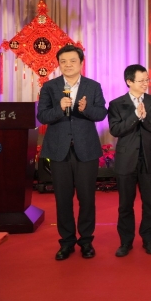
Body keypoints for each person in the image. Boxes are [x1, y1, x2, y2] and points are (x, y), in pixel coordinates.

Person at [37, 44, 108, 260]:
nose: (68, 65)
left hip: (86, 149)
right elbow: (42, 116)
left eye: (72, 61)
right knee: (63, 198)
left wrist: (86, 109)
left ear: (81, 63)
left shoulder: (93, 86)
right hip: (59, 150)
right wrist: (59, 108)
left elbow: (101, 113)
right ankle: (66, 242)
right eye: (63, 61)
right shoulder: (50, 87)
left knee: (87, 198)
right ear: (59, 64)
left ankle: (86, 241)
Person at [108, 64, 151, 257]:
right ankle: (126, 241)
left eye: (147, 80)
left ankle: (148, 239)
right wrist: (135, 116)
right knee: (125, 204)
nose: (145, 83)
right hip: (126, 159)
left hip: (149, 158)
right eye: (141, 80)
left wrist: (145, 118)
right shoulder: (117, 104)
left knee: (149, 203)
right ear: (129, 82)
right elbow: (115, 130)